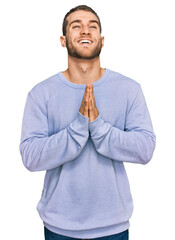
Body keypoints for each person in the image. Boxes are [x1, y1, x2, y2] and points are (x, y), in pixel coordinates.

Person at [19, 5, 156, 240]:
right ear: (63, 40)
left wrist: (99, 127)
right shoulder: (41, 93)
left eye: (92, 26)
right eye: (76, 26)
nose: (85, 31)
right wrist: (79, 126)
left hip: (113, 227)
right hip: (58, 227)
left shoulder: (129, 89)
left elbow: (145, 149)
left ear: (101, 40)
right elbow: (30, 156)